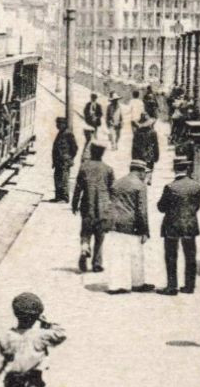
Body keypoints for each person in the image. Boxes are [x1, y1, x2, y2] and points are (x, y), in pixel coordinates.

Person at [158, 155, 200, 295]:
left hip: (172, 225)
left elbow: (161, 207)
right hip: (190, 225)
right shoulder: (195, 186)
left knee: (171, 256)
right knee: (190, 256)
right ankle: (189, 286)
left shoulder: (170, 187)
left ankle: (172, 287)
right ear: (187, 168)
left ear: (174, 169)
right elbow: (197, 206)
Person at [107, 158, 152, 293]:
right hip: (132, 225)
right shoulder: (140, 185)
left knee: (117, 255)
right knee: (136, 256)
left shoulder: (117, 183)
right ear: (141, 172)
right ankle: (137, 283)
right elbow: (141, 210)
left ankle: (115, 285)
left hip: (115, 224)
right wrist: (145, 231)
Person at [71, 142, 115, 273]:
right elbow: (113, 190)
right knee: (100, 236)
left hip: (87, 206)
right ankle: (97, 263)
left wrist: (74, 204)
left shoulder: (84, 167)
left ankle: (84, 248)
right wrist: (112, 207)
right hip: (103, 207)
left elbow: (78, 188)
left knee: (86, 232)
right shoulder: (108, 169)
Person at [50, 116, 78, 203]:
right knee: (57, 179)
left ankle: (65, 198)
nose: (57, 125)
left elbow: (75, 148)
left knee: (64, 179)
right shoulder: (61, 133)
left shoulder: (68, 134)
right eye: (57, 124)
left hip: (64, 161)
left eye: (59, 124)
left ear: (64, 124)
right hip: (58, 161)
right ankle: (58, 197)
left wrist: (69, 158)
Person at [130, 105, 160, 172]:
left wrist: (133, 157)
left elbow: (134, 146)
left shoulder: (137, 132)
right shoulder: (153, 132)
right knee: (149, 173)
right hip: (149, 157)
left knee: (140, 173)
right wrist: (157, 156)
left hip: (139, 157)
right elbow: (156, 145)